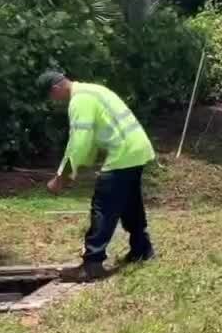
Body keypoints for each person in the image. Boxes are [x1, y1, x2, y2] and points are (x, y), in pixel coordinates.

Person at [39, 70, 158, 283]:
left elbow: (79, 141)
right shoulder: (91, 90)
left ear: (55, 89)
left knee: (103, 206)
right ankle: (142, 249)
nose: (52, 102)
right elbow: (91, 140)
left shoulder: (79, 101)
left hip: (124, 152)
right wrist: (74, 170)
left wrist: (62, 177)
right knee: (129, 202)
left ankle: (92, 263)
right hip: (136, 149)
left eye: (50, 96)